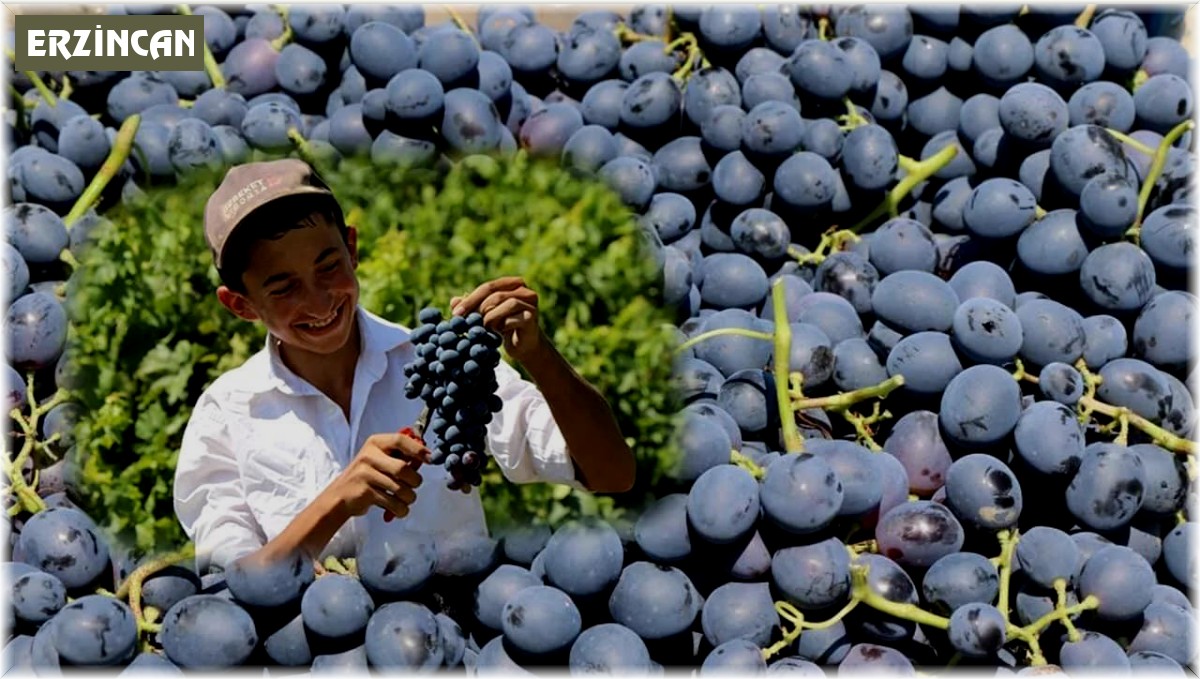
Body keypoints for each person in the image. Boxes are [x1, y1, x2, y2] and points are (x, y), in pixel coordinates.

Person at [173, 158, 636, 575]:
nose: (318, 301)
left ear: (352, 249)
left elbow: (611, 473)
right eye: (283, 288)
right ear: (240, 305)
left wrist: (538, 355)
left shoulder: (442, 364)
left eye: (329, 266)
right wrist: (338, 501)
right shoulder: (226, 415)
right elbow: (238, 587)